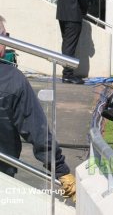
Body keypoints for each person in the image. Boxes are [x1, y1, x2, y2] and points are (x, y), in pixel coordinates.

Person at [0, 20, 76, 201]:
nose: (6, 42)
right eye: (4, 37)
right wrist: (60, 170)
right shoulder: (11, 79)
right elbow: (35, 127)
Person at [56, 0, 88, 84]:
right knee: (70, 45)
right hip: (73, 14)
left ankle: (67, 73)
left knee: (67, 44)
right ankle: (68, 74)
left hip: (63, 14)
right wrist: (84, 10)